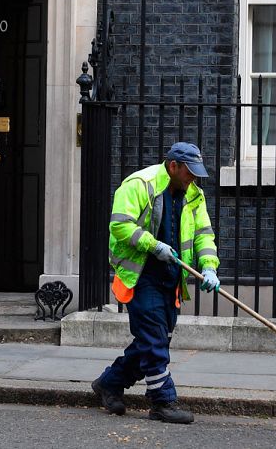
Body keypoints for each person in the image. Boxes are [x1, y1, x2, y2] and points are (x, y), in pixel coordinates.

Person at [91, 142, 220, 424]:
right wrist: (153, 245)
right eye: (189, 172)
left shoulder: (194, 195)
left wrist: (209, 267)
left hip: (172, 279)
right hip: (141, 274)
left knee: (153, 341)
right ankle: (162, 401)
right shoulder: (140, 184)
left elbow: (204, 235)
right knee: (154, 340)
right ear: (173, 166)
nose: (194, 179)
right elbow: (120, 225)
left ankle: (109, 383)